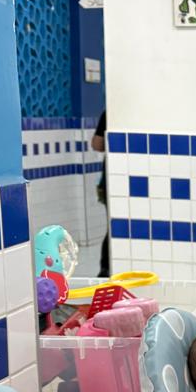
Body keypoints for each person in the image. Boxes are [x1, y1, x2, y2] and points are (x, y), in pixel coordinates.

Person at [91, 110, 110, 279]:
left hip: (111, 180)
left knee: (113, 226)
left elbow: (96, 144)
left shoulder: (110, 111)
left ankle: (106, 269)